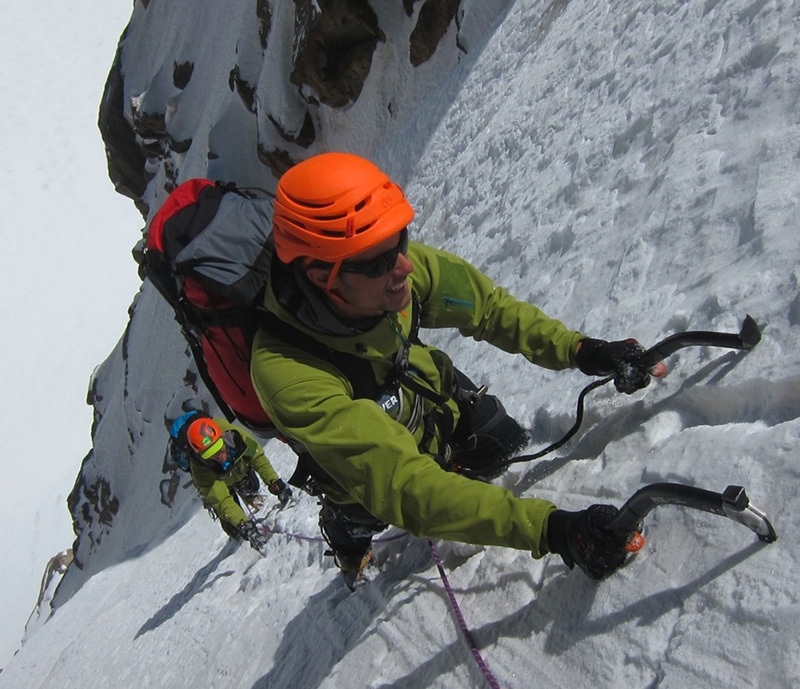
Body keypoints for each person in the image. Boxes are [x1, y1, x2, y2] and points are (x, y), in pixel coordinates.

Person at [250, 152, 662, 587]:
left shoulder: (396, 272)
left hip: (429, 401)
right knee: (366, 506)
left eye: (401, 240)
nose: (404, 267)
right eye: (377, 262)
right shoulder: (287, 371)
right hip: (363, 469)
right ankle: (346, 534)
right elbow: (405, 486)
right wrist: (550, 528)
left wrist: (581, 350)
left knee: (504, 442)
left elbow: (490, 309)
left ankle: (449, 469)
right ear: (319, 275)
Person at [174, 412, 294, 553]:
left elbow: (256, 456)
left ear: (222, 437)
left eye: (219, 448)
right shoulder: (200, 469)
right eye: (211, 453)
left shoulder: (234, 435)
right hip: (217, 477)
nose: (218, 455)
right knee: (234, 529)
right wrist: (244, 525)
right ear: (201, 454)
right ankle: (233, 523)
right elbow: (222, 500)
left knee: (252, 486)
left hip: (236, 467)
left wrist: (275, 483)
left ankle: (243, 488)